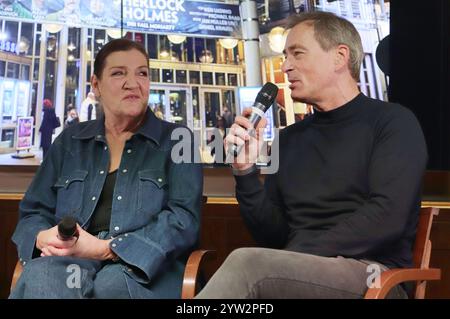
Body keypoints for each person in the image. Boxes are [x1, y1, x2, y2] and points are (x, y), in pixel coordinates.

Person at [196, 11, 427, 299]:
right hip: (297, 270)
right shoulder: (289, 139)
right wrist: (245, 172)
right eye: (285, 57)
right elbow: (273, 236)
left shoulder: (393, 122)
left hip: (373, 275)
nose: (285, 67)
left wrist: (296, 255)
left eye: (297, 54)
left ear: (339, 57)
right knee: (252, 266)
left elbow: (387, 217)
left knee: (249, 264)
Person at [10, 38, 202, 299]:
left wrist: (106, 248)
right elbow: (33, 211)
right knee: (44, 279)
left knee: (111, 285)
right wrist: (42, 237)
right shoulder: (70, 140)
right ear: (96, 85)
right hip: (70, 264)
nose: (133, 83)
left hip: (144, 267)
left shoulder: (181, 139)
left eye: (142, 73)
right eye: (118, 73)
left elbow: (184, 219)